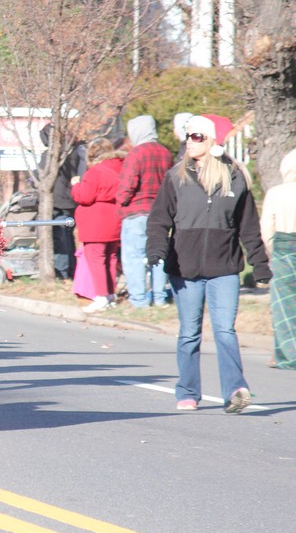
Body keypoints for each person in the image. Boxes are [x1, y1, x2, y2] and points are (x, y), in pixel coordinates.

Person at [146, 114, 271, 413]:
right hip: (184, 268)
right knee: (189, 332)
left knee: (225, 330)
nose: (190, 141)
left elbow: (248, 226)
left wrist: (260, 264)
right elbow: (159, 220)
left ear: (213, 140)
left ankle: (235, 390)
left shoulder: (236, 177)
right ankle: (188, 391)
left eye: (197, 136)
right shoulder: (176, 176)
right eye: (188, 136)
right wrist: (156, 251)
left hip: (224, 268)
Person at [116, 115, 174, 308]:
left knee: (134, 257)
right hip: (160, 213)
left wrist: (121, 202)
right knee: (158, 255)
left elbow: (127, 186)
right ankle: (159, 297)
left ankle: (139, 300)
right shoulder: (165, 153)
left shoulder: (135, 154)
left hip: (136, 212)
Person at [71, 139, 125, 313]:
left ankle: (101, 297)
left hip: (96, 222)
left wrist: (76, 185)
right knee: (110, 258)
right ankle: (110, 295)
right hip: (114, 218)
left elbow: (85, 196)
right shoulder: (121, 167)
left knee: (96, 259)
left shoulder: (96, 171)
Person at [260, 147, 296, 370]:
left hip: (283, 249)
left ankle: (284, 353)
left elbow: (266, 228)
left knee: (282, 305)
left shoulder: (276, 192)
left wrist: (273, 249)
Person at [37, 123, 86, 280]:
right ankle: (72, 269)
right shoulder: (71, 152)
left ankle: (62, 272)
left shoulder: (51, 156)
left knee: (59, 237)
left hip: (56, 202)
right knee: (68, 236)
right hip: (70, 199)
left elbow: (42, 177)